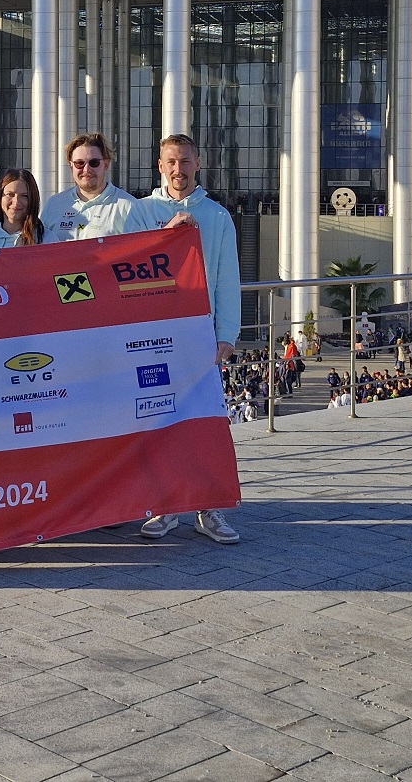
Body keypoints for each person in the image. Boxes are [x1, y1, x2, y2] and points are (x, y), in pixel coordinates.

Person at [125, 133, 242, 546]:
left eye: (185, 161)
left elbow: (228, 278)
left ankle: (208, 507)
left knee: (204, 423)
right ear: (160, 166)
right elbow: (128, 263)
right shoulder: (140, 212)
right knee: (158, 421)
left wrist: (227, 334)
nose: (179, 170)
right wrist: (167, 235)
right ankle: (165, 504)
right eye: (171, 162)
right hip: (153, 337)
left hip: (199, 336)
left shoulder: (217, 216)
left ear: (198, 163)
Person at [40, 133, 136, 241]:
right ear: (71, 166)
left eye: (94, 163)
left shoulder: (129, 207)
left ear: (106, 164)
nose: (86, 169)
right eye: (79, 163)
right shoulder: (53, 204)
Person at [0, 168, 45, 248]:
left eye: (24, 196)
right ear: (0, 197)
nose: (16, 202)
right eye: (10, 194)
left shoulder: (47, 240)